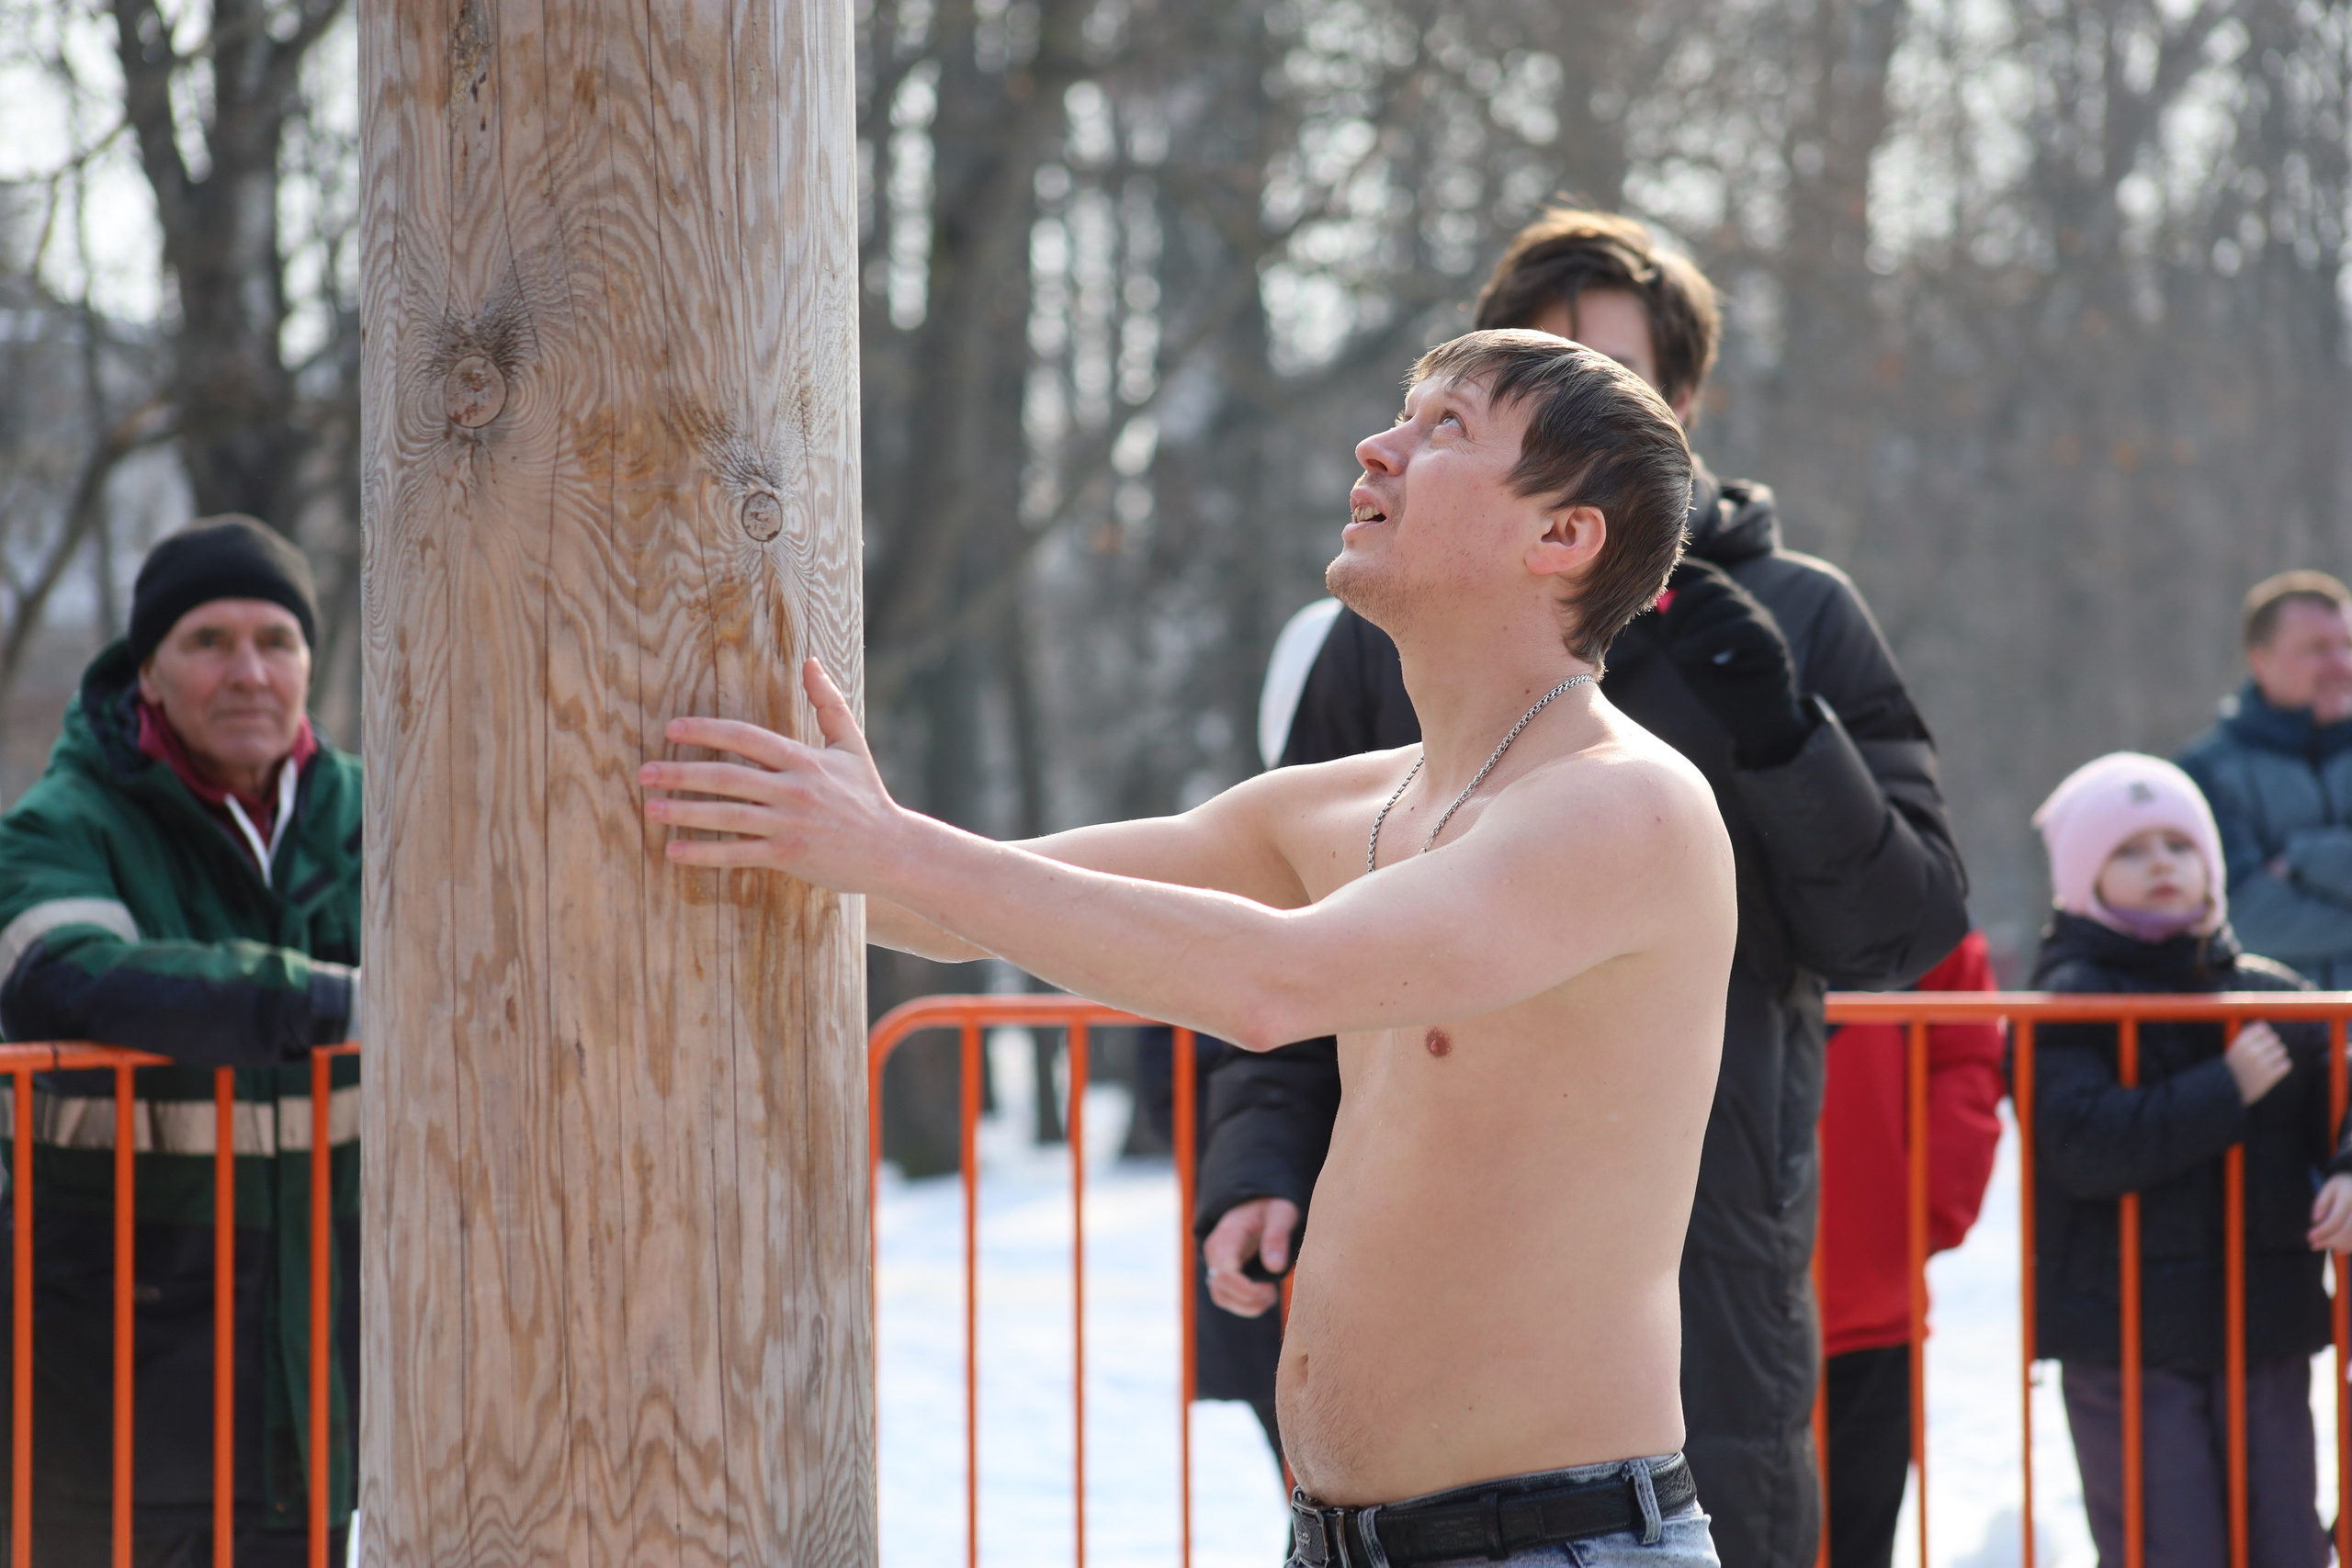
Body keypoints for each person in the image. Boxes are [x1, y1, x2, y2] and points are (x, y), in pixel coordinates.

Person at [646, 331, 1737, 1565]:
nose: (1378, 445)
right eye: (1403, 412)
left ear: (1564, 537)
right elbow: (963, 912)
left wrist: (888, 847)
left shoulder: (1625, 806)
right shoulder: (1340, 805)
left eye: (1447, 430)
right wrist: (788, 825)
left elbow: (1272, 983)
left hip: (1562, 1541)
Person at [1201, 207, 1970, 1568]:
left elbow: (1904, 925)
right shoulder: (1390, 620)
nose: (1576, 393)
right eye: (1536, 364)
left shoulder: (1795, 614)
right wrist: (1260, 1156)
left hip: (1706, 1223)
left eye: (1609, 373)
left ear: (1677, 402)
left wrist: (1788, 734)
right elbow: (1285, 918)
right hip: (1420, 1259)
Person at [0, 516, 361, 1564]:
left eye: (276, 640)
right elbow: (68, 981)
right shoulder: (61, 826)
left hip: (312, 1388)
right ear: (147, 672)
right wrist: (325, 1002)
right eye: (209, 641)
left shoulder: (379, 818)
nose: (248, 671)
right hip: (106, 1393)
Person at [2029, 752, 2351, 1568]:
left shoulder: (2275, 994)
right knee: (2169, 1547)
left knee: (2285, 1543)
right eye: (2131, 849)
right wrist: (2225, 1087)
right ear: (2082, 874)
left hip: (2263, 1325)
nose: (2163, 862)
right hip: (2127, 1339)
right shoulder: (2067, 997)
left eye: (2180, 843)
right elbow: (2078, 1144)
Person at [1815, 932, 2003, 1568]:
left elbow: (1967, 1053)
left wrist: (1925, 1209)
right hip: (1695, 1303)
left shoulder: (1906, 881)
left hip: (1869, 1299)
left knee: (1856, 1538)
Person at [2177, 570, 2352, 987]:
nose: (2342, 664)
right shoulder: (2205, 774)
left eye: (2348, 645)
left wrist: (2299, 857)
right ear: (2261, 660)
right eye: (2317, 649)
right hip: (2271, 1040)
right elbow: (2243, 919)